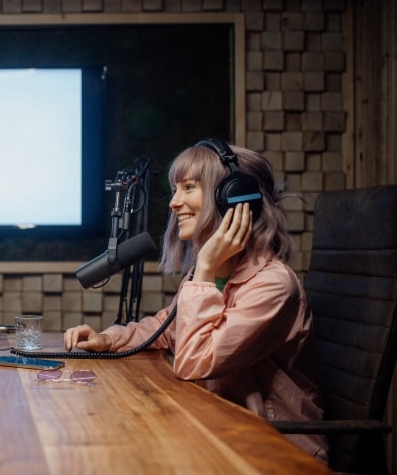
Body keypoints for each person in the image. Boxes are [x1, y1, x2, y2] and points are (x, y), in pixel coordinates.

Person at [63, 139, 327, 463]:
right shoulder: (214, 273)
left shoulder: (273, 286)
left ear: (232, 197)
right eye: (175, 189)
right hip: (218, 428)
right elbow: (169, 327)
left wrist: (204, 268)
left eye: (189, 187)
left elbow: (194, 362)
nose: (175, 202)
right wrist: (109, 339)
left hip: (271, 450)